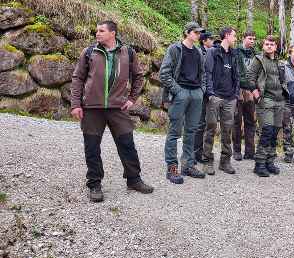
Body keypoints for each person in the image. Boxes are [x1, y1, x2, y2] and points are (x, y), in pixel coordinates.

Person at [70, 20, 154, 202]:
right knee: (92, 147)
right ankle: (94, 184)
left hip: (118, 108)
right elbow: (77, 78)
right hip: (92, 108)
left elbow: (139, 76)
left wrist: (131, 99)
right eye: (96, 30)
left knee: (127, 144)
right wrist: (76, 104)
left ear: (112, 33)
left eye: (101, 30)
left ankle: (134, 179)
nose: (97, 33)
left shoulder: (128, 52)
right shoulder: (89, 52)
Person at [159, 22, 207, 184]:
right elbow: (164, 73)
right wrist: (178, 91)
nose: (198, 35)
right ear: (186, 32)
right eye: (195, 32)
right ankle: (172, 167)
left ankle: (188, 165)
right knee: (174, 132)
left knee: (192, 131)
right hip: (180, 93)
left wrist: (202, 90)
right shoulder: (175, 49)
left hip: (196, 94)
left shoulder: (199, 52)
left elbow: (203, 74)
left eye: (199, 33)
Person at [247, 35, 286, 177]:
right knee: (267, 131)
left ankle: (270, 162)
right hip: (266, 100)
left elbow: (283, 80)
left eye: (272, 44)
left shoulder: (280, 63)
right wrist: (256, 95)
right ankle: (260, 164)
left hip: (279, 101)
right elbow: (249, 78)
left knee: (274, 132)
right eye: (267, 44)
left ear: (276, 47)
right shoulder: (258, 60)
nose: (269, 46)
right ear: (263, 46)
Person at [203, 27, 240, 175]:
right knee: (210, 128)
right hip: (215, 96)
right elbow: (207, 73)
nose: (236, 38)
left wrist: (236, 94)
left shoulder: (234, 54)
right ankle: (207, 161)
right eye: (234, 36)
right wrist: (210, 94)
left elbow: (237, 76)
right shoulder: (213, 52)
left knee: (227, 129)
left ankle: (225, 162)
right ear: (226, 36)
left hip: (230, 98)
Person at [232, 31, 257, 161]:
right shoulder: (236, 52)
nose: (252, 41)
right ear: (244, 38)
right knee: (237, 121)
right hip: (238, 90)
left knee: (251, 121)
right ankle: (236, 150)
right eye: (250, 38)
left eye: (254, 39)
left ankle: (250, 151)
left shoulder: (255, 54)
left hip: (251, 90)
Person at [195, 31, 215, 163]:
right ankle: (195, 153)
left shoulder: (212, 53)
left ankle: (202, 152)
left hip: (209, 92)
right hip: (200, 92)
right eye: (211, 39)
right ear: (204, 41)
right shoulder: (198, 53)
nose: (213, 41)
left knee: (207, 124)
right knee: (199, 123)